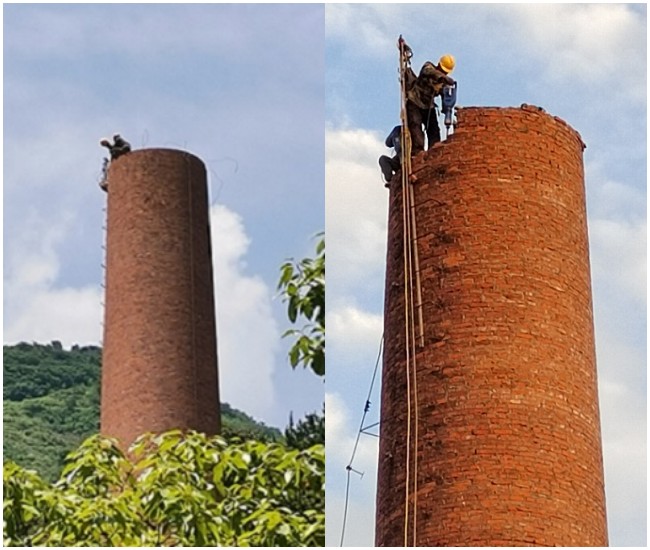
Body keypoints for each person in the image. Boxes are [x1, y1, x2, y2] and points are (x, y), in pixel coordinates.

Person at [405, 54, 456, 154]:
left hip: (428, 106)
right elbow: (428, 71)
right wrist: (443, 77)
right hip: (415, 102)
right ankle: (417, 155)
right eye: (443, 70)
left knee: (434, 131)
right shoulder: (428, 67)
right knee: (416, 128)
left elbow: (445, 97)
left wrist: (447, 108)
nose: (444, 73)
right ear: (439, 65)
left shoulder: (443, 83)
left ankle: (434, 153)